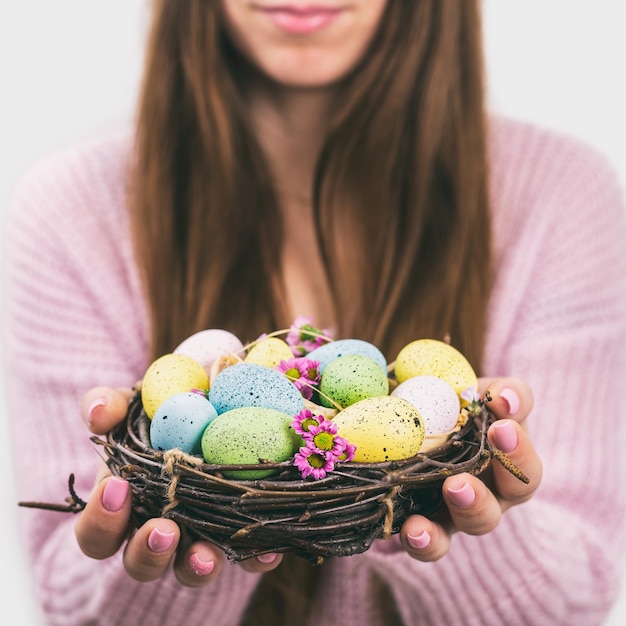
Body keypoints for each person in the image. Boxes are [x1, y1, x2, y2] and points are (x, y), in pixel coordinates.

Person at [3, 1, 626, 624]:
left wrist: (435, 492)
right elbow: (72, 597)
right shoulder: (69, 213)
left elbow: (575, 601)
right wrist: (208, 524)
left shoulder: (561, 199)